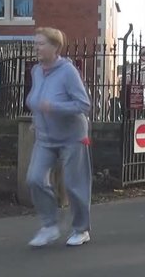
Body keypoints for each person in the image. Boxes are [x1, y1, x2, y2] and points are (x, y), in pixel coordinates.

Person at [25, 27, 92, 247]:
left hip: (72, 136)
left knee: (74, 184)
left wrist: (54, 107)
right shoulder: (36, 71)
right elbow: (37, 100)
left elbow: (84, 105)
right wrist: (36, 121)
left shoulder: (68, 72)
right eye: (36, 43)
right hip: (45, 137)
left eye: (41, 43)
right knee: (34, 179)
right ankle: (50, 226)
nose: (37, 47)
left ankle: (81, 230)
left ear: (55, 47)